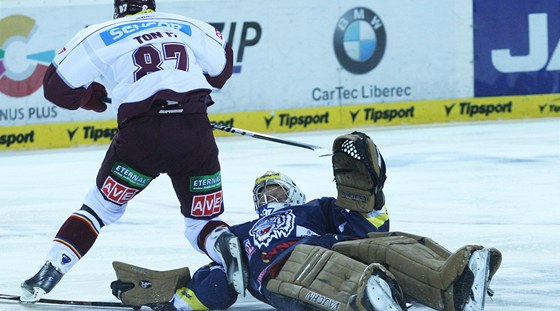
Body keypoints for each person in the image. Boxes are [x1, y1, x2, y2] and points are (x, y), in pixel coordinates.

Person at [110, 132, 502, 311]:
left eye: (276, 190)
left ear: (294, 193)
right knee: (312, 263)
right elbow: (220, 283)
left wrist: (366, 195)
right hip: (287, 274)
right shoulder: (238, 235)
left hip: (333, 247)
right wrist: (177, 299)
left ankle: (450, 286)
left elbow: (369, 228)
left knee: (385, 246)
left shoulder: (316, 209)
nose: (268, 197)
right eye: (261, 194)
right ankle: (367, 298)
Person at [20, 0, 246, 303]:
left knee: (98, 209)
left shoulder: (99, 32)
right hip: (194, 132)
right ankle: (223, 243)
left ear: (118, 10)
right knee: (202, 223)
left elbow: (56, 88)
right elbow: (221, 70)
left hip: (142, 137)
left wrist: (88, 96)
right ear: (152, 6)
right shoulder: (186, 24)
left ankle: (50, 271)